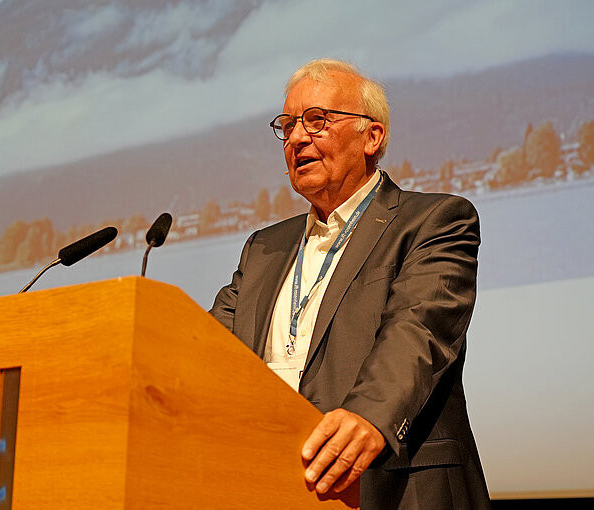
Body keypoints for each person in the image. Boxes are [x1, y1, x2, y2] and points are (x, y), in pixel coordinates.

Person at [210, 58, 490, 509]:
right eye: (288, 125)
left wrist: (369, 417)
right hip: (271, 486)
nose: (297, 138)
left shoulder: (434, 221)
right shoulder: (263, 248)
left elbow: (417, 332)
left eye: (317, 120)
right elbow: (208, 348)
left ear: (372, 137)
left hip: (395, 488)